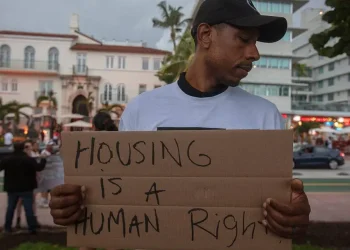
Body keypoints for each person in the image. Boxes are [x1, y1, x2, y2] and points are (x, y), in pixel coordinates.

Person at [49, 0, 310, 244]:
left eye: (255, 43)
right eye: (244, 40)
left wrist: (295, 214)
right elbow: (117, 203)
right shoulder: (142, 109)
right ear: (206, 35)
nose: (254, 53)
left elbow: (284, 203)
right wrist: (77, 208)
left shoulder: (265, 115)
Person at [0, 141, 46, 234]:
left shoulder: (7, 159)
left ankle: (7, 227)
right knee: (28, 208)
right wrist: (43, 160)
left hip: (12, 188)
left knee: (10, 208)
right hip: (27, 187)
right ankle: (32, 228)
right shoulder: (29, 159)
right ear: (23, 148)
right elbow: (39, 167)